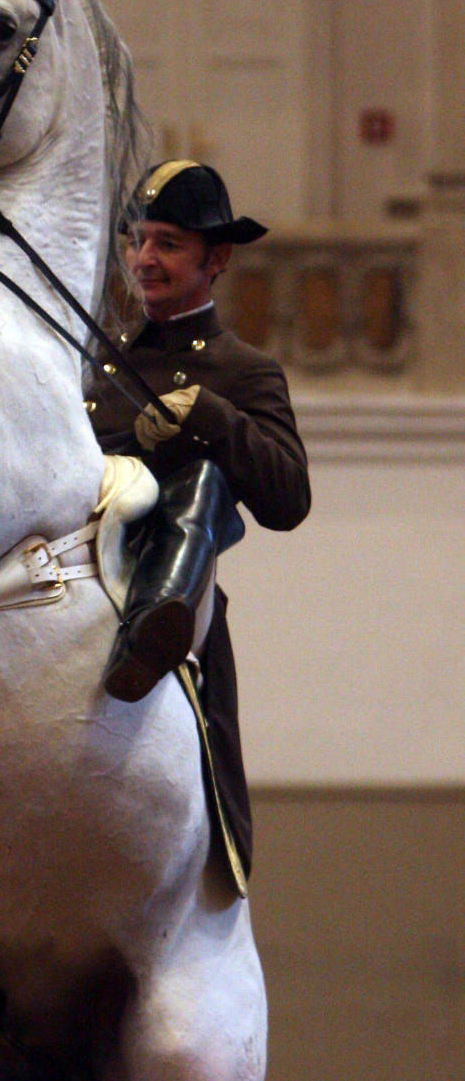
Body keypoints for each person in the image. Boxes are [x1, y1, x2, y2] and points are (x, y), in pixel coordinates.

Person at [89, 158, 311, 878]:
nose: (144, 259)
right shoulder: (94, 362)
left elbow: (288, 498)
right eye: (137, 240)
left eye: (167, 244)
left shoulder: (242, 371)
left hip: (167, 587)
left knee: (206, 482)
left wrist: (211, 418)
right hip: (70, 569)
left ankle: (155, 631)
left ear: (216, 259)